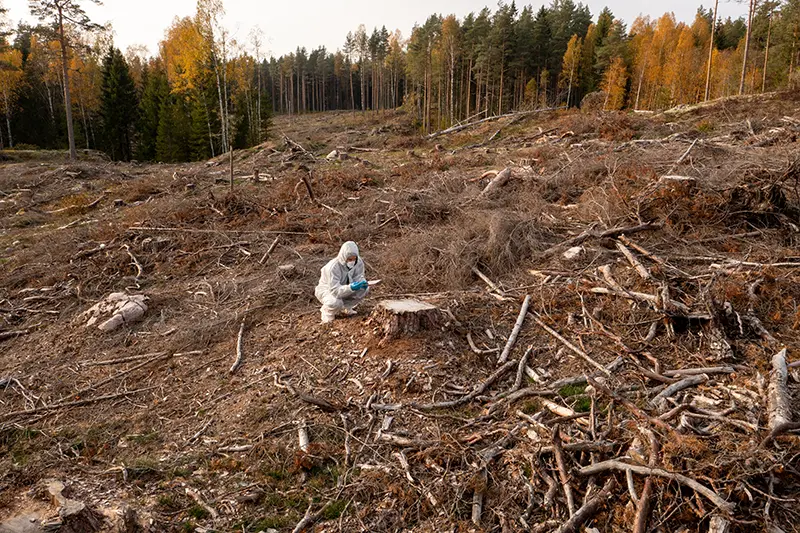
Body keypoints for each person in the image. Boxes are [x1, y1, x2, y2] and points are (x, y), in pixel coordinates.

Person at [315, 241, 369, 323]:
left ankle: (347, 307)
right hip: (328, 290)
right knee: (335, 302)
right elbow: (335, 291)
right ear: (344, 257)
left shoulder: (358, 262)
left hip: (345, 287)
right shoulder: (333, 267)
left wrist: (362, 283)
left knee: (364, 289)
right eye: (350, 259)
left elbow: (359, 276)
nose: (352, 261)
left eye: (354, 259)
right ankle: (327, 312)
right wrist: (351, 287)